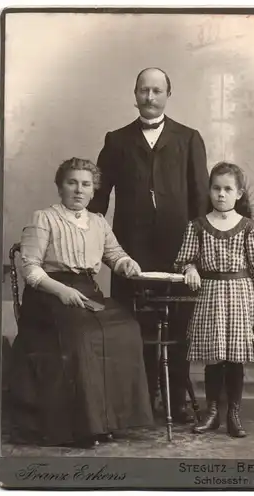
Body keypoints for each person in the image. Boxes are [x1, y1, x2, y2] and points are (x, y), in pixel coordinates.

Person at [88, 67, 209, 423]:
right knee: (133, 325)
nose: (150, 97)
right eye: (144, 90)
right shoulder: (117, 140)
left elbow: (201, 199)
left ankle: (177, 402)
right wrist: (89, 241)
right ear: (135, 93)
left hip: (179, 250)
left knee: (179, 325)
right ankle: (138, 404)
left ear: (168, 94)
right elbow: (98, 200)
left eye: (157, 90)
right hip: (130, 250)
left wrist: (196, 255)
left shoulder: (189, 138)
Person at [8, 157, 153, 448]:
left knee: (126, 329)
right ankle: (81, 427)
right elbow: (31, 268)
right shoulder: (44, 218)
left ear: (94, 189)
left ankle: (109, 421)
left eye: (85, 184)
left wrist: (126, 264)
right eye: (71, 182)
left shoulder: (98, 222)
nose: (78, 190)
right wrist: (60, 290)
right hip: (47, 295)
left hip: (88, 293)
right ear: (60, 186)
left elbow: (114, 254)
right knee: (81, 334)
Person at [174, 162, 254, 437]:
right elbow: (185, 260)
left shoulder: (250, 228)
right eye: (216, 188)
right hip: (210, 296)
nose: (221, 194)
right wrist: (191, 269)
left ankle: (234, 414)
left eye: (228, 189)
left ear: (239, 193)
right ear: (210, 191)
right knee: (214, 358)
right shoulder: (197, 226)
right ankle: (213, 412)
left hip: (241, 296)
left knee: (235, 359)